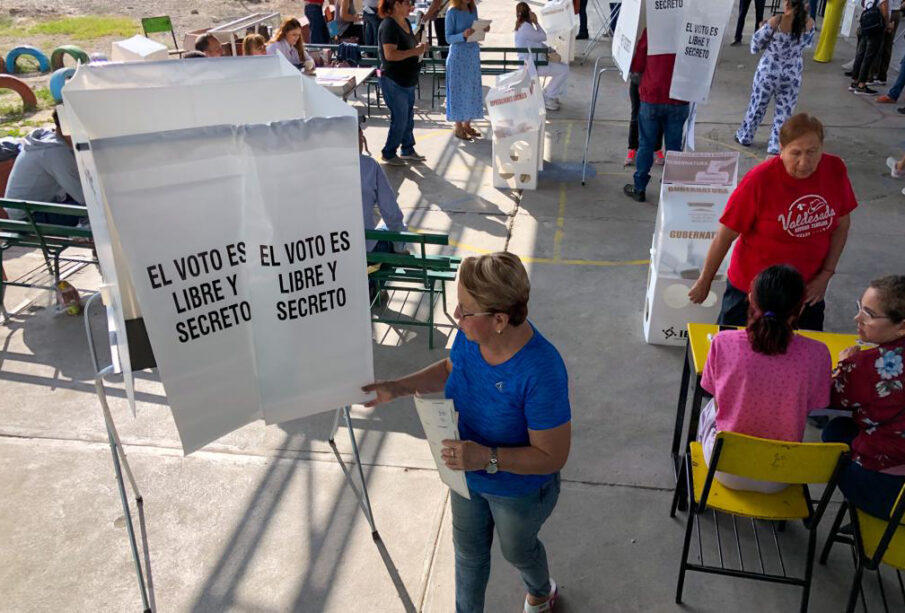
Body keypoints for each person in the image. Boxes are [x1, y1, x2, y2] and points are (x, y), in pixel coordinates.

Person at [362, 252, 570, 613]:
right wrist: (398, 386)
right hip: (466, 476)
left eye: (465, 311)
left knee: (517, 549)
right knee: (469, 554)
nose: (456, 317)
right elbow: (450, 366)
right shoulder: (472, 337)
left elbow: (553, 456)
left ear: (500, 320)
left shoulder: (541, 370)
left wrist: (486, 457)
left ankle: (540, 590)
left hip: (518, 490)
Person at [689, 113, 857, 331]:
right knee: (732, 347)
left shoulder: (835, 169)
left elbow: (842, 226)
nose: (804, 162)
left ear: (822, 147)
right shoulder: (759, 181)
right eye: (795, 153)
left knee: (804, 352)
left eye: (812, 152)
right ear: (781, 148)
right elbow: (725, 235)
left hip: (806, 289)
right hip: (752, 289)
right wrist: (705, 281)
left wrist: (825, 275)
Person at [698, 265, 831, 492]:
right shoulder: (818, 353)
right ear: (800, 310)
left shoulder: (723, 342)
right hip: (779, 475)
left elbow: (713, 391)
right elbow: (816, 405)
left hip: (723, 468)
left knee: (711, 407)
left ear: (750, 299)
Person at [822, 276, 905, 520]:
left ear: (901, 326)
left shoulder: (868, 366)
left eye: (868, 314)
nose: (857, 318)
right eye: (860, 308)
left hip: (886, 493)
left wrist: (843, 363)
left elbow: (827, 397)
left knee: (834, 431)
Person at [735, 0, 815, 155]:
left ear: (788, 4)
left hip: (768, 72)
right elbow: (807, 44)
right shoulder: (809, 23)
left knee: (757, 105)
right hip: (792, 73)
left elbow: (755, 45)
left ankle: (745, 136)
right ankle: (775, 145)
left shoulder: (777, 21)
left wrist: (761, 28)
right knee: (784, 112)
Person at [622, 29, 690, 203]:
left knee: (645, 144)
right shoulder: (690, 28)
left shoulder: (654, 27)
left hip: (652, 94)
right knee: (674, 147)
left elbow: (638, 64)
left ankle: (639, 188)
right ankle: (670, 190)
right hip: (679, 95)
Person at [3, 109, 85, 227]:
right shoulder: (55, 151)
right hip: (29, 218)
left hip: (26, 211)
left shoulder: (49, 139)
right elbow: (81, 195)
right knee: (99, 211)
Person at [378, 0, 428, 165]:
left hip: (407, 79)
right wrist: (415, 51)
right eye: (407, 3)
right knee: (400, 119)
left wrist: (419, 47)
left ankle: (407, 148)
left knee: (407, 117)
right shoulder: (388, 26)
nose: (411, 7)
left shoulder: (405, 22)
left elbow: (410, 45)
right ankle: (389, 152)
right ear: (396, 5)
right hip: (393, 79)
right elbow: (390, 55)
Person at [358, 129, 408, 252]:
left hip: (328, 252)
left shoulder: (315, 170)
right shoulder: (369, 166)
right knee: (395, 228)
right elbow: (391, 213)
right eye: (361, 137)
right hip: (365, 251)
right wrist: (399, 248)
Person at [514, 2, 569, 112]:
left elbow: (536, 42)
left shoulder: (522, 27)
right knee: (564, 69)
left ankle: (549, 94)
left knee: (562, 67)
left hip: (532, 63)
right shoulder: (526, 27)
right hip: (533, 65)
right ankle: (548, 96)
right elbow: (543, 36)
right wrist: (536, 22)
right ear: (529, 13)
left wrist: (549, 50)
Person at [445, 0, 488, 141]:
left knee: (472, 88)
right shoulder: (452, 12)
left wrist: (483, 29)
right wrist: (462, 35)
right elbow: (448, 37)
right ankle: (458, 126)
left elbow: (475, 27)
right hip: (458, 55)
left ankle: (467, 124)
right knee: (458, 89)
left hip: (472, 53)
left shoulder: (472, 8)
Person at [849, 0, 890, 95]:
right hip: (875, 27)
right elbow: (884, 9)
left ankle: (855, 81)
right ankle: (862, 84)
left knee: (861, 54)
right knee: (869, 57)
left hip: (866, 25)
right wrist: (888, 24)